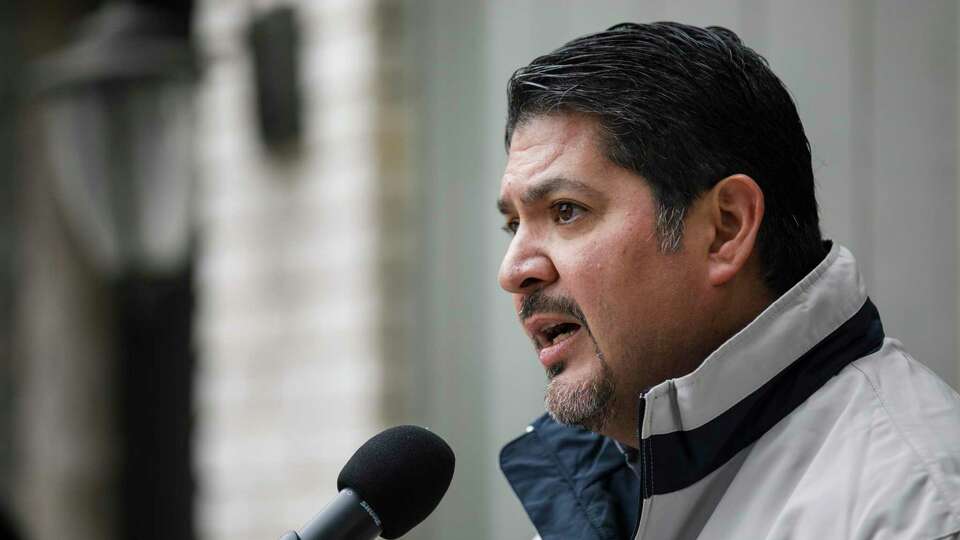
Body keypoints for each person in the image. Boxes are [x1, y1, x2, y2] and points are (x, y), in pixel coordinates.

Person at [495, 22, 960, 540]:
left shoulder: (914, 511)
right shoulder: (601, 489)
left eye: (566, 210)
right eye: (514, 224)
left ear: (725, 229)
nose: (513, 272)